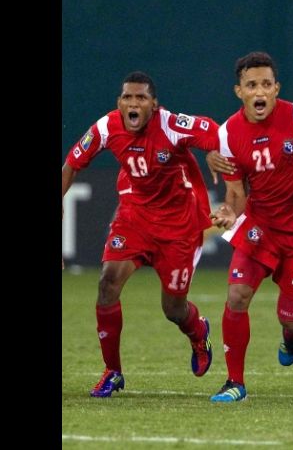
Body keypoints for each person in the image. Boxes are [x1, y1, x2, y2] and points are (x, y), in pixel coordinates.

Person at [62, 71, 219, 397]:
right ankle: (113, 371)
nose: (133, 103)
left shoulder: (171, 125)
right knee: (108, 283)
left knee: (173, 309)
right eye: (127, 98)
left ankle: (198, 331)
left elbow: (213, 131)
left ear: (154, 105)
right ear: (119, 102)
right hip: (134, 218)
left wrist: (219, 153)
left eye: (141, 98)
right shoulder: (107, 127)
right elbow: (71, 164)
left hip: (180, 227)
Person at [207, 51, 293, 403]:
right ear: (240, 91)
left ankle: (292, 337)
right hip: (262, 225)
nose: (260, 91)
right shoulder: (228, 134)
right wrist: (228, 210)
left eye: (266, 84)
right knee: (237, 296)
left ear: (276, 88)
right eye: (252, 85)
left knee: (291, 317)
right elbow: (236, 193)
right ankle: (234, 382)